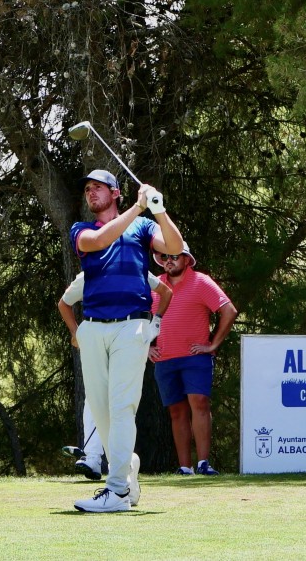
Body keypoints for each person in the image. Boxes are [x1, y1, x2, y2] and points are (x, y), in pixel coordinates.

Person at [70, 169, 183, 512]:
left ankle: (117, 491)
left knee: (122, 407)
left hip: (131, 327)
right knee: (102, 411)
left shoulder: (144, 226)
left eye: (98, 188)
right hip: (93, 327)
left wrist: (158, 209)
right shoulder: (82, 230)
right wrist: (138, 207)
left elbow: (175, 248)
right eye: (88, 188)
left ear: (115, 192)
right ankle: (127, 467)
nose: (91, 193)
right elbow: (100, 241)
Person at [58, 270, 172, 487]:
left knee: (121, 404)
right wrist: (75, 333)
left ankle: (118, 468)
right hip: (96, 339)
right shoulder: (86, 275)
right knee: (96, 399)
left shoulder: (135, 267)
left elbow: (165, 292)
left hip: (129, 339)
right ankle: (100, 460)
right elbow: (64, 303)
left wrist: (155, 323)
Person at [149, 242, 237, 475]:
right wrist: (147, 347)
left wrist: (213, 344)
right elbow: (139, 318)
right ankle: (185, 468)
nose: (169, 260)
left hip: (195, 357)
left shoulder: (201, 281)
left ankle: (203, 464)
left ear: (186, 259)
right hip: (165, 359)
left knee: (199, 404)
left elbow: (229, 310)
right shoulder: (155, 285)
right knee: (176, 412)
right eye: (165, 256)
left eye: (175, 256)